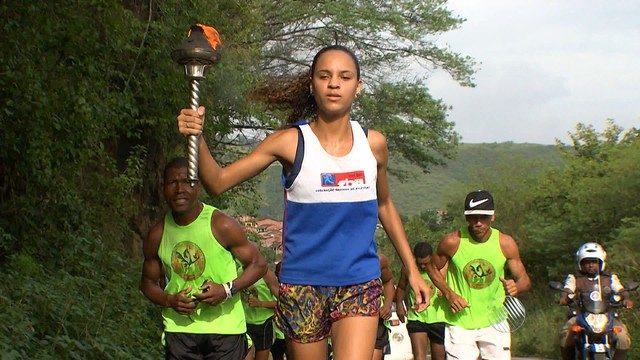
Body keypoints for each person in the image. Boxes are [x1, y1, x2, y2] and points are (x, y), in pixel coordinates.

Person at [176, 44, 431, 359]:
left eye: (345, 76)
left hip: (358, 281)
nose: (334, 83)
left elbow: (385, 205)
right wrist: (196, 137)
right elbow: (217, 182)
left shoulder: (373, 144)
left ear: (358, 86)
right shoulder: (289, 142)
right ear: (312, 84)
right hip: (302, 286)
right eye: (325, 76)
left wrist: (413, 270)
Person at [140, 157, 268, 360]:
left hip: (225, 329)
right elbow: (147, 283)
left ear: (198, 186)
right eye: (172, 182)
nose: (179, 189)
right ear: (163, 187)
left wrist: (226, 290)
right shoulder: (157, 234)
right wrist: (169, 300)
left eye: (187, 181)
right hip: (179, 331)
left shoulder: (221, 225)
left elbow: (258, 264)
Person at [425, 190, 531, 360]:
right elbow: (431, 268)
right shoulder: (452, 242)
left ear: (493, 216)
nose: (478, 222)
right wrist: (449, 294)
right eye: (473, 217)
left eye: (484, 217)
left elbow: (525, 280)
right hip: (460, 322)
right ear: (466, 217)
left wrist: (516, 287)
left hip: (495, 321)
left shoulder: (505, 243)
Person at [558, 242, 633, 360]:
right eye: (586, 262)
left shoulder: (610, 278)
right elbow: (567, 289)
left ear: (601, 262)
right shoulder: (574, 277)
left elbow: (620, 289)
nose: (590, 265)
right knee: (565, 334)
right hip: (580, 315)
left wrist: (626, 299)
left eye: (594, 262)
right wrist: (564, 298)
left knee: (623, 337)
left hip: (607, 316)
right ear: (580, 263)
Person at [396, 242, 446, 360]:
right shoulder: (408, 269)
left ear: (432, 257)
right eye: (420, 263)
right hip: (416, 317)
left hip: (438, 318)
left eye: (426, 263)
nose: (423, 267)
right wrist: (399, 305)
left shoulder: (440, 268)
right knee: (419, 357)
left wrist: (444, 291)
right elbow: (401, 287)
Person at [240, 267, 280, 360]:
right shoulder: (239, 272)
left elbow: (283, 302)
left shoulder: (266, 274)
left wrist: (261, 303)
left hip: (263, 324)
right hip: (245, 324)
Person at [372, 252, 396, 360]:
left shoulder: (378, 260)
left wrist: (387, 304)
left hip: (376, 318)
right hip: (345, 317)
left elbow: (388, 280)